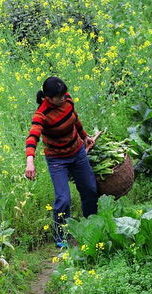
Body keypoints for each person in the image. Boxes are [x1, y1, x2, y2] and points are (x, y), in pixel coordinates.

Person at [24, 76, 98, 248]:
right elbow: (33, 136)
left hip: (77, 152)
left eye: (65, 94)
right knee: (63, 199)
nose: (64, 97)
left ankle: (92, 225)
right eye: (59, 96)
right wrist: (30, 162)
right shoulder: (42, 114)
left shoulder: (67, 99)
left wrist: (84, 136)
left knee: (90, 189)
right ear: (48, 98)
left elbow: (74, 119)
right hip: (57, 159)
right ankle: (60, 236)